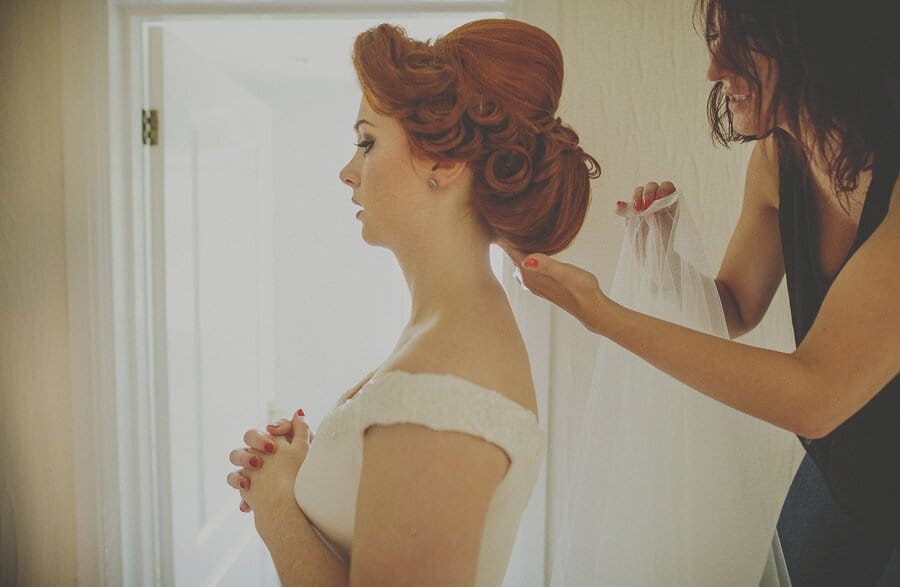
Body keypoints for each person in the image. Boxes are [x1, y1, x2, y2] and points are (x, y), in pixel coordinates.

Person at [516, 0, 899, 584]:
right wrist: (663, 264)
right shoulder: (778, 160)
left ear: (820, 39)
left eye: (745, 39)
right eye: (717, 38)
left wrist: (601, 314)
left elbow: (816, 396)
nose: (715, 67)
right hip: (845, 476)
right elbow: (737, 306)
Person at [225, 19, 600, 586]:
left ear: (444, 163)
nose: (348, 172)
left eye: (368, 141)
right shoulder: (446, 330)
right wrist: (296, 474)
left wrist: (276, 506)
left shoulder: (447, 375)